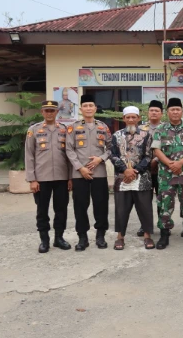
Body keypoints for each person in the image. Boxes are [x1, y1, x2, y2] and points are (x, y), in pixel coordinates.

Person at [152, 98, 183, 249]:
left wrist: (180, 162)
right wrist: (169, 163)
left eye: (177, 109)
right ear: (167, 112)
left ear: (182, 111)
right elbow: (156, 149)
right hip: (166, 174)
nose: (175, 112)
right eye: (172, 109)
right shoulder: (160, 129)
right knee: (165, 204)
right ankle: (164, 234)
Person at [65, 94, 112, 251]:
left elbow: (112, 148)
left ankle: (100, 236)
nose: (88, 108)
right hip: (79, 174)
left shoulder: (103, 127)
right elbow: (69, 149)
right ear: (81, 108)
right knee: (80, 206)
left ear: (95, 108)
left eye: (91, 105)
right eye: (85, 106)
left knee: (101, 205)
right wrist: (80, 168)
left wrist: (101, 159)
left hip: (99, 173)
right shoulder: (73, 127)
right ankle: (82, 238)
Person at [25, 101, 72, 253]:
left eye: (52, 110)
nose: (50, 113)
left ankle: (59, 238)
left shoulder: (65, 130)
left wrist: (70, 178)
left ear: (57, 112)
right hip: (41, 178)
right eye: (47, 111)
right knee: (42, 210)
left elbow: (70, 155)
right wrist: (32, 179)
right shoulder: (34, 130)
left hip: (62, 177)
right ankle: (44, 240)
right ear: (42, 112)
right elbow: (29, 155)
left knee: (61, 210)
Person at [109, 106, 155, 250]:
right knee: (121, 209)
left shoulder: (146, 135)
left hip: (142, 178)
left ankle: (147, 236)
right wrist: (125, 170)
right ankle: (120, 237)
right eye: (127, 117)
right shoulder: (116, 135)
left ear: (138, 118)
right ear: (123, 119)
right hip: (122, 178)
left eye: (133, 117)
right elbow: (113, 155)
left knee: (145, 208)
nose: (130, 120)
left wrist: (134, 171)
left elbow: (149, 156)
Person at [136, 100, 164, 237]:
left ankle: (163, 224)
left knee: (162, 199)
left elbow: (168, 147)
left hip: (162, 170)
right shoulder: (141, 129)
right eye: (152, 110)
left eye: (157, 111)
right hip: (144, 170)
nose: (154, 113)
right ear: (148, 113)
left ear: (161, 114)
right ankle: (144, 225)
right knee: (144, 201)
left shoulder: (166, 128)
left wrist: (156, 159)